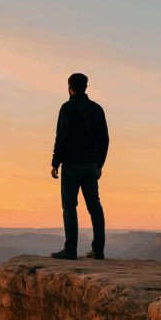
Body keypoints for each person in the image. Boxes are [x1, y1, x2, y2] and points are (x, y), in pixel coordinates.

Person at [49, 73, 109, 260]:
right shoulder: (97, 109)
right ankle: (98, 250)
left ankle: (70, 250)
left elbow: (62, 137)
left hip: (71, 165)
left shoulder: (67, 108)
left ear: (69, 87)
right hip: (91, 165)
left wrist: (55, 163)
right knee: (94, 207)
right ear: (86, 87)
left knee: (69, 208)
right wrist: (99, 163)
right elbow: (105, 139)